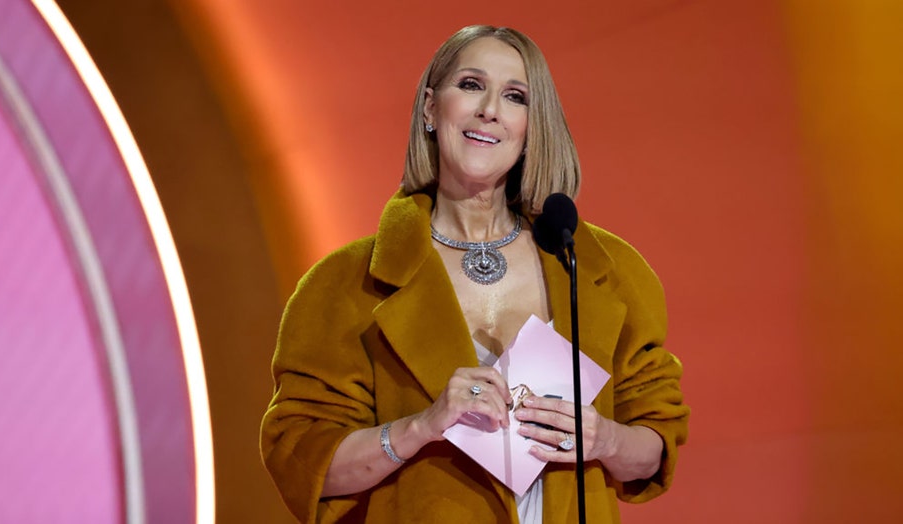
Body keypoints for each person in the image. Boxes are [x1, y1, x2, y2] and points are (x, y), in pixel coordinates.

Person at [260, 25, 689, 523]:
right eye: (470, 85)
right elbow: (302, 462)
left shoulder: (600, 268)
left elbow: (657, 443)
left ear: (532, 126)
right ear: (428, 108)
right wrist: (421, 427)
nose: (490, 108)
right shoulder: (342, 284)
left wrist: (605, 438)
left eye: (515, 96)